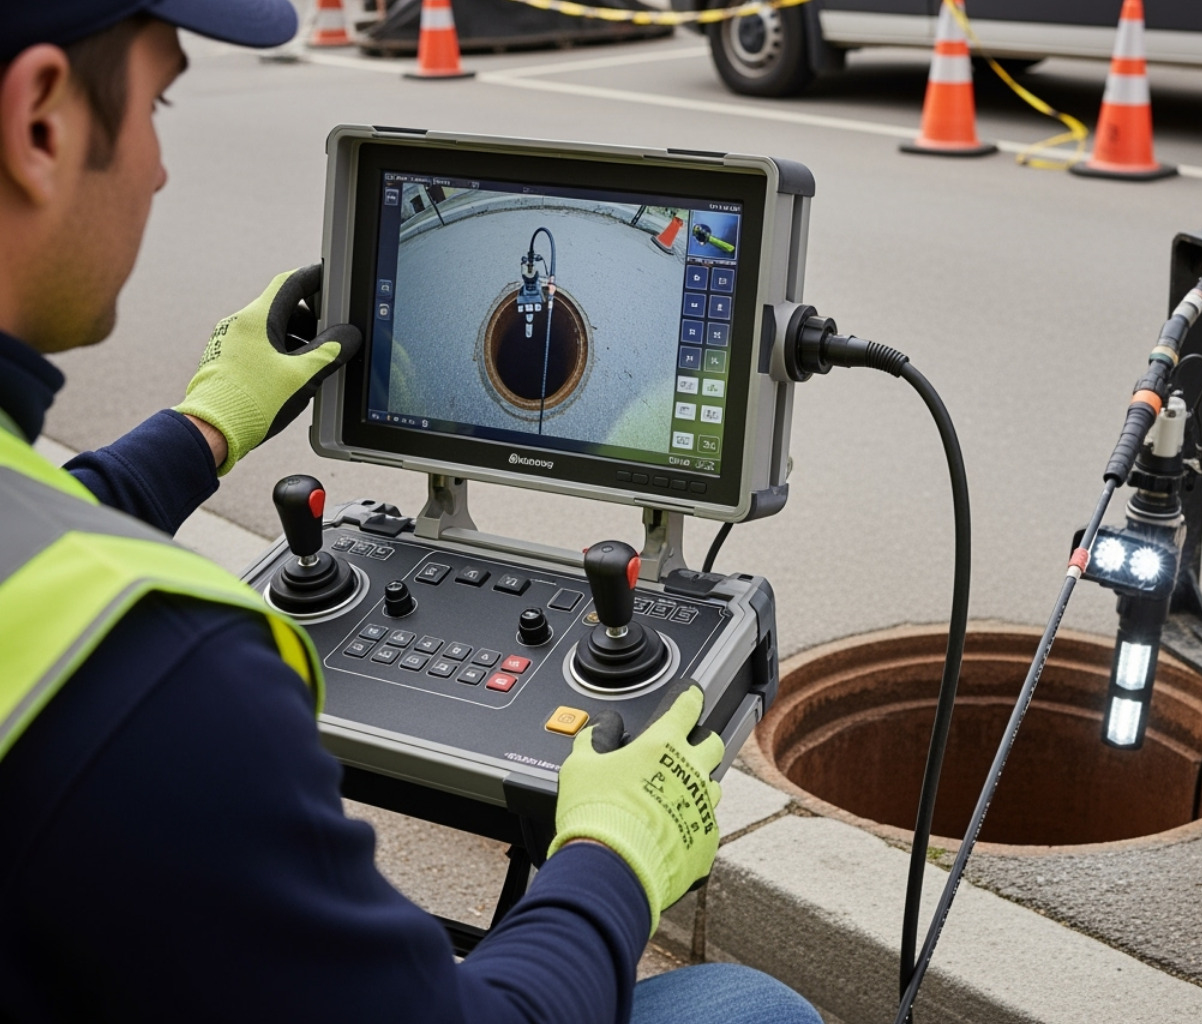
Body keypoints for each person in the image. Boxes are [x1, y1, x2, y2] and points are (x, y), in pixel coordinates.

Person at [0, 3, 822, 1021]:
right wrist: (610, 856)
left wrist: (207, 425)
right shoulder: (169, 684)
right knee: (745, 1005)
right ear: (39, 122)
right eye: (159, 101)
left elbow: (28, 522)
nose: (162, 170)